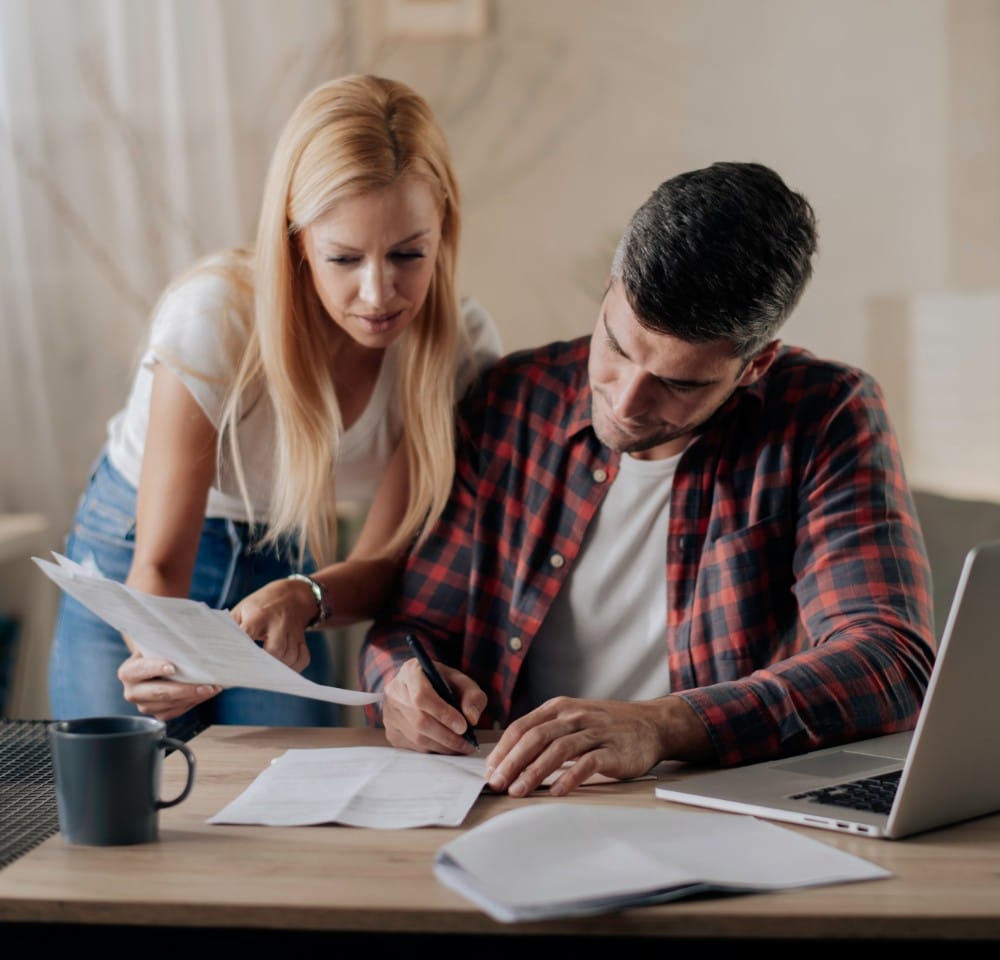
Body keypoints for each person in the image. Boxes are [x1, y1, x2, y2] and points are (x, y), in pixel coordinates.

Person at [359, 161, 936, 797]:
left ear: (755, 364)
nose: (627, 402)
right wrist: (403, 682)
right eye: (617, 346)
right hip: (504, 794)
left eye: (678, 382)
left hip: (718, 809)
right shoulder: (509, 402)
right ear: (610, 290)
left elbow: (891, 661)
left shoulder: (827, 413)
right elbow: (412, 626)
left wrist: (662, 726)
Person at [48, 74, 502, 732]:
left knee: (276, 802)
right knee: (124, 799)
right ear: (297, 244)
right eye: (343, 258)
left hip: (288, 560)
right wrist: (156, 652)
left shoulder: (456, 351)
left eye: (409, 254)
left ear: (445, 232)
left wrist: (307, 594)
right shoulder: (213, 318)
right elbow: (161, 560)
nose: (379, 295)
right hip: (138, 554)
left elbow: (381, 566)